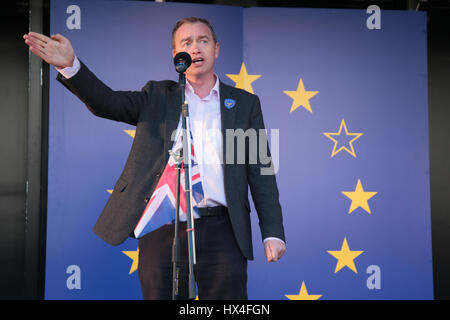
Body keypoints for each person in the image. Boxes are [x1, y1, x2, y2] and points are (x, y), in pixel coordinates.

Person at [24, 17, 286, 300]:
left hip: (223, 229)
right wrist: (71, 66)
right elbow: (106, 102)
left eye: (203, 40)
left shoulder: (243, 104)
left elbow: (260, 170)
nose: (195, 48)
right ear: (176, 55)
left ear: (217, 49)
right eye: (187, 42)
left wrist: (272, 232)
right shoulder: (158, 96)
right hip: (163, 225)